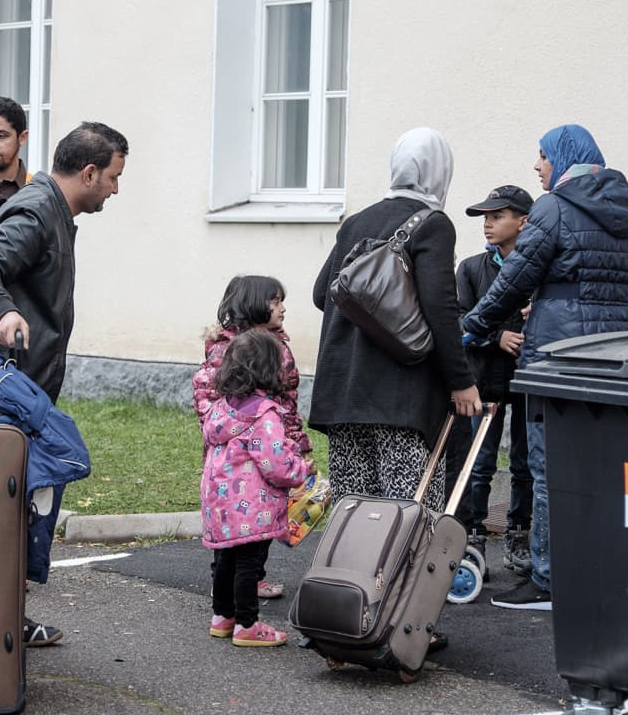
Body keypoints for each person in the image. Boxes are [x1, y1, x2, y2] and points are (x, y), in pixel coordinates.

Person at [0, 120, 128, 648]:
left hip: (26, 392)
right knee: (5, 514)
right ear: (90, 172)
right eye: (115, 178)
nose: (117, 189)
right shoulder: (35, 211)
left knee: (17, 512)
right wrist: (5, 312)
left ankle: (4, 621)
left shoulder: (52, 209)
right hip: (9, 396)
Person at [463, 124, 628, 611]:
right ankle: (597, 570)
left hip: (560, 348)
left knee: (549, 466)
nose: (537, 166)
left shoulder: (554, 206)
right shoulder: (626, 208)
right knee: (600, 462)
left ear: (563, 158)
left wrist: (475, 323)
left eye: (542, 156)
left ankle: (547, 579)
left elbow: (517, 277)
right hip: (615, 343)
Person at [309, 127, 482, 525]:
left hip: (345, 399)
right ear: (440, 171)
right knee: (407, 521)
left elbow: (323, 294)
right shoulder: (433, 224)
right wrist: (461, 380)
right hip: (401, 402)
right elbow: (441, 308)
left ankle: (353, 587)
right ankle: (400, 591)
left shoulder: (356, 223)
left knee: (354, 519)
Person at [192, 275, 311, 601]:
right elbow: (211, 397)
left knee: (261, 516)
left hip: (272, 440)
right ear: (254, 305)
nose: (283, 308)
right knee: (237, 518)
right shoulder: (230, 349)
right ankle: (228, 585)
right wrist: (231, 432)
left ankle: (251, 579)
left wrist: (294, 440)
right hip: (240, 451)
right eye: (276, 302)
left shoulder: (274, 344)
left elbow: (286, 401)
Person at [202, 329, 315, 648]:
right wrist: (301, 469)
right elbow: (277, 464)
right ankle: (247, 624)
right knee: (249, 564)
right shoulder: (263, 415)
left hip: (221, 504)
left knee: (226, 559)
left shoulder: (222, 409)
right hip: (253, 507)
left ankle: (222, 617)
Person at [456, 185, 535, 576]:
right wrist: (495, 337)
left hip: (526, 384)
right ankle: (472, 539)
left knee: (525, 464)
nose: (488, 224)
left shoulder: (541, 268)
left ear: (523, 221)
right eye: (485, 217)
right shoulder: (471, 269)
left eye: (497, 216)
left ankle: (519, 534)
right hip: (484, 382)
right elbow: (458, 321)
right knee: (481, 463)